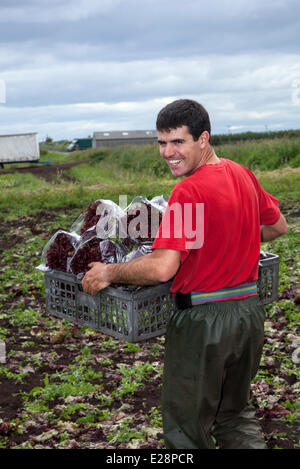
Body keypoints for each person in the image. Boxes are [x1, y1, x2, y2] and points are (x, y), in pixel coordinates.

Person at [82, 99, 287, 449]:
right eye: (162, 142)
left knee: (186, 431)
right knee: (235, 415)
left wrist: (110, 272)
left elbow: (163, 267)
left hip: (204, 323)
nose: (168, 152)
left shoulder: (189, 191)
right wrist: (228, 235)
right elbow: (276, 226)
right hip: (248, 314)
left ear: (203, 139)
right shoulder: (241, 174)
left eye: (178, 142)